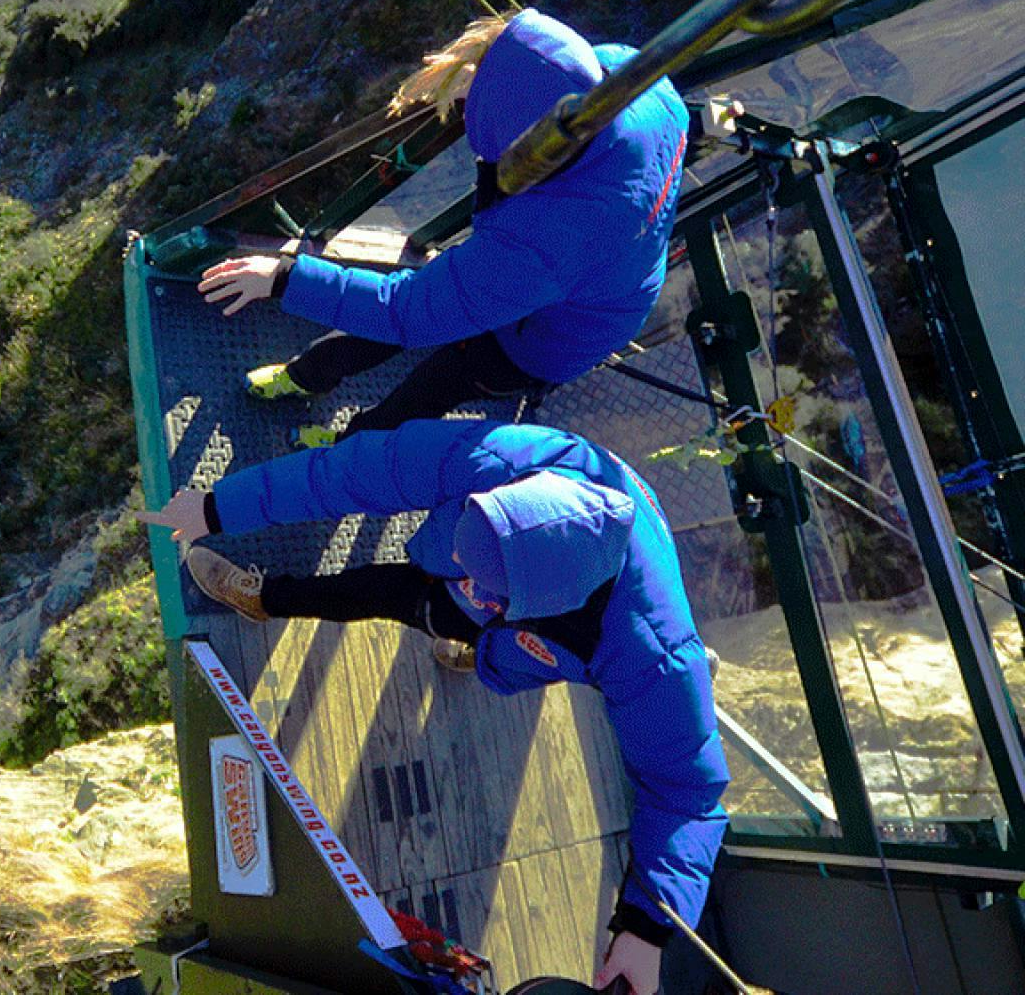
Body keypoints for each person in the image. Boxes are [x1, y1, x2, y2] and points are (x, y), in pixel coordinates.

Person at [138, 419, 727, 995]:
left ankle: (487, 653)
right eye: (470, 572)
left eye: (484, 590)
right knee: (390, 592)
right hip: (518, 615)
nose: (466, 587)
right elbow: (351, 471)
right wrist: (218, 508)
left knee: (490, 638)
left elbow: (684, 791)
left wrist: (648, 928)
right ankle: (266, 599)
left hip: (563, 643)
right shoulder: (499, 459)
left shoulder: (652, 656)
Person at [197, 9, 688, 446]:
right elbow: (542, 72)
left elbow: (407, 312)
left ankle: (354, 444)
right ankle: (307, 375)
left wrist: (282, 279)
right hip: (604, 281)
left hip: (551, 338)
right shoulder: (634, 85)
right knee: (395, 322)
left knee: (441, 379)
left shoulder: (547, 242)